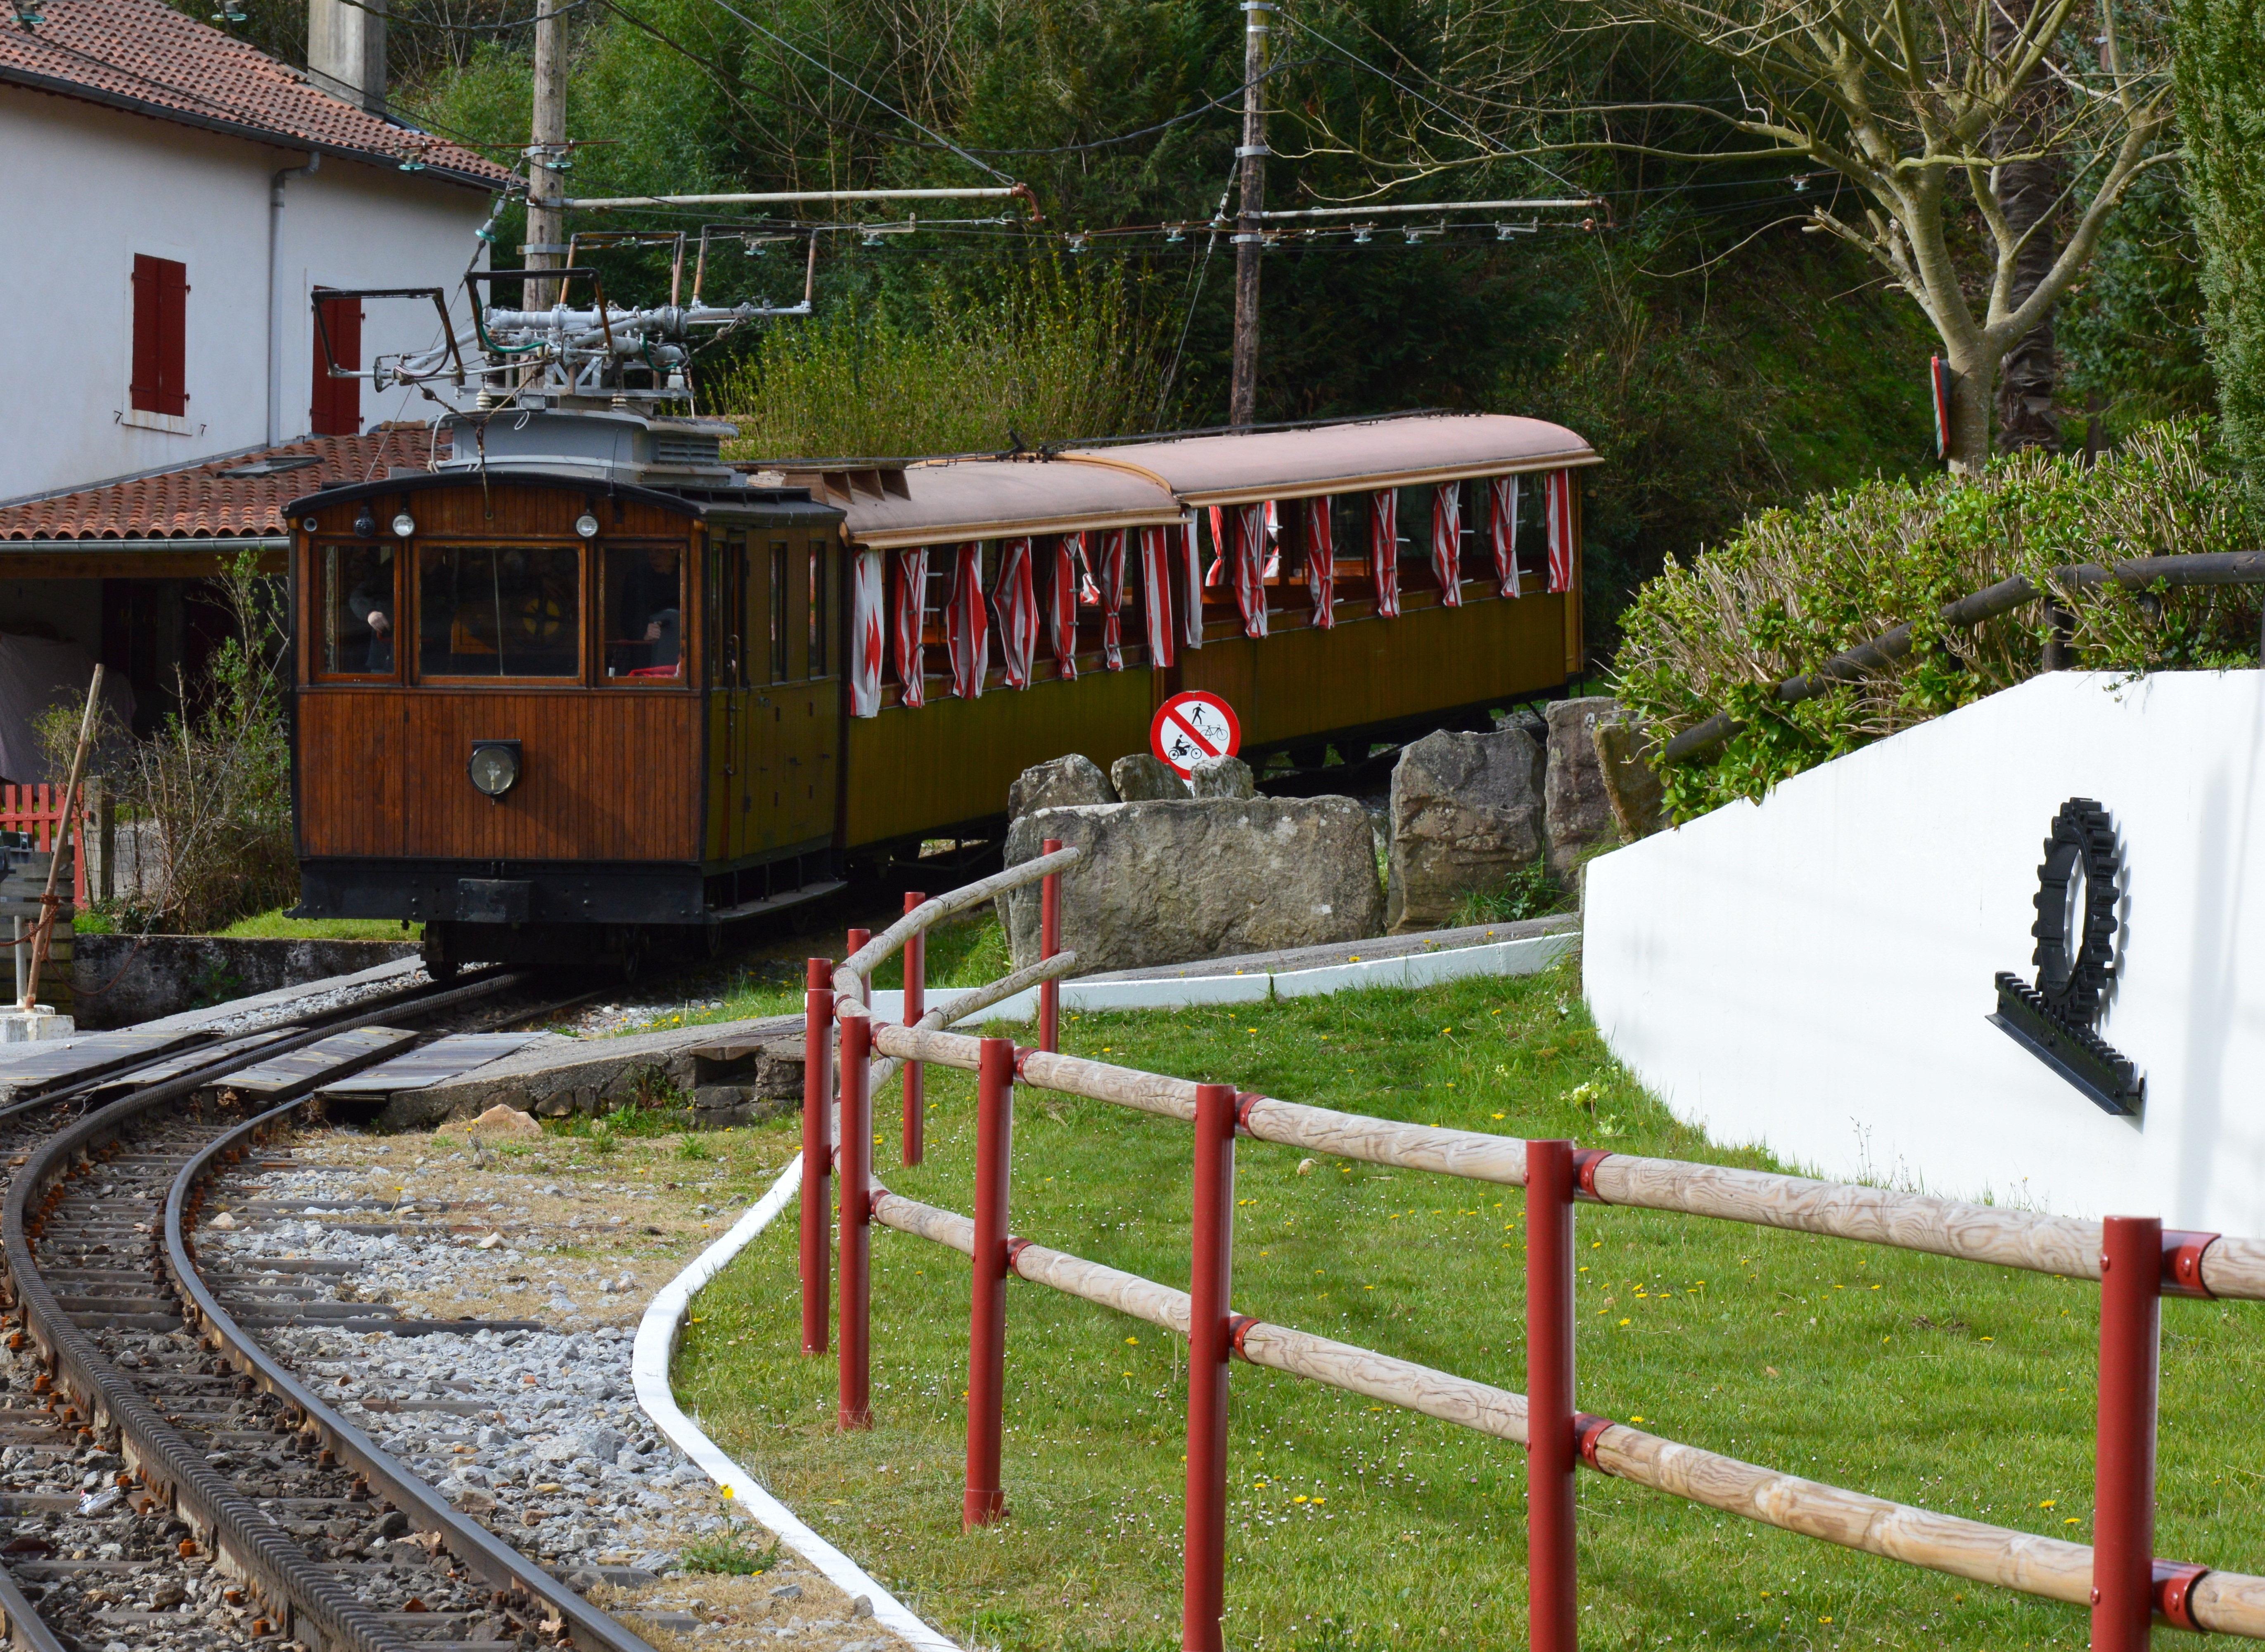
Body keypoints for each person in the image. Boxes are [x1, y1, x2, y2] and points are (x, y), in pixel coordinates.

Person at [614, 545, 681, 674]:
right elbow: (626, 617)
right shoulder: (637, 577)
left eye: (660, 551)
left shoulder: (687, 574)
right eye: (650, 551)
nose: (653, 557)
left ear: (675, 552)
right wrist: (644, 630)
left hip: (680, 650)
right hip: (646, 653)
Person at [345, 548, 395, 672]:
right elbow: (358, 596)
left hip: (432, 658)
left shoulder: (446, 576)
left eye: (435, 549)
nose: (430, 555)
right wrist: (370, 613)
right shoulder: (391, 569)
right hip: (383, 658)